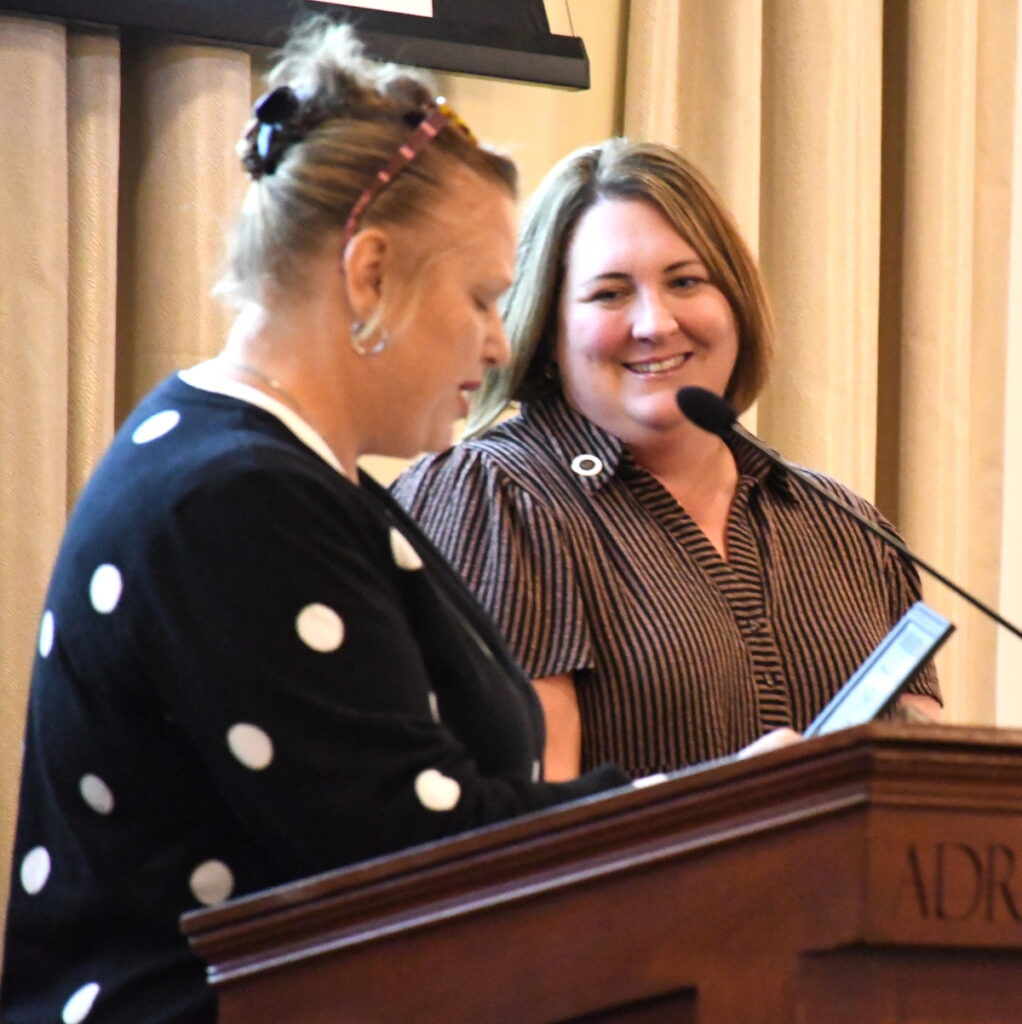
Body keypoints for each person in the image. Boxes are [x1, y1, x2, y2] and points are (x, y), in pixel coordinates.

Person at [0, 22, 642, 1024]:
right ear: (369, 270)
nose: (497, 342)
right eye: (482, 297)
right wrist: (697, 810)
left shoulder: (265, 468)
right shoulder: (233, 499)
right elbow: (407, 852)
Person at [393, 138, 942, 783]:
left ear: (736, 304)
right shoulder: (494, 498)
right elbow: (526, 820)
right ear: (547, 329)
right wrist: (733, 802)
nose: (655, 324)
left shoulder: (845, 526)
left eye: (685, 282)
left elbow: (923, 793)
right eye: (610, 294)